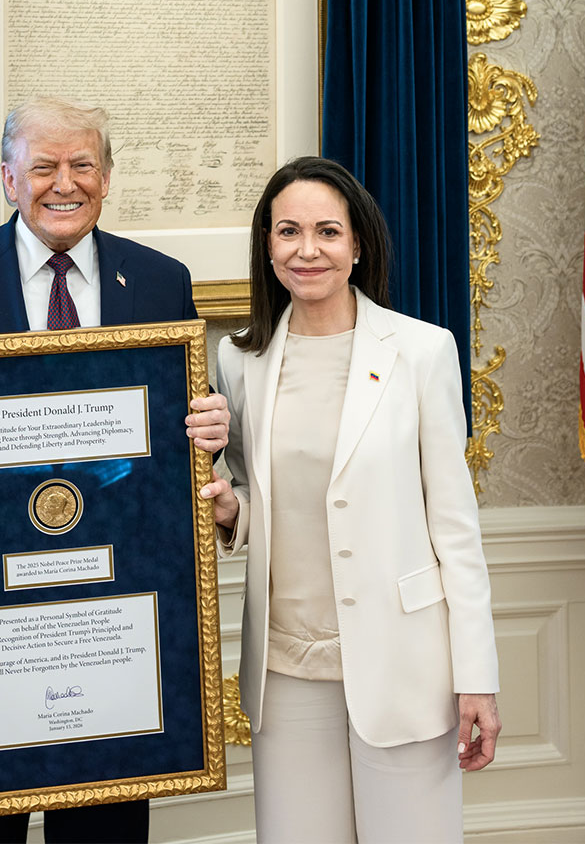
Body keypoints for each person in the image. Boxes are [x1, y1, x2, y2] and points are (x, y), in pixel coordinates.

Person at [0, 95, 231, 844]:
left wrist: (211, 429)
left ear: (107, 177)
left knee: (105, 830)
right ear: (8, 178)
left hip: (114, 609)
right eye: (45, 166)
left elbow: (174, 429)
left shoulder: (159, 279)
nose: (66, 183)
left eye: (83, 165)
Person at [195, 156, 500, 844]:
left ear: (358, 244)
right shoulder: (239, 361)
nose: (308, 250)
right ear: (266, 246)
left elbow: (455, 527)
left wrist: (477, 676)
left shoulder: (422, 352)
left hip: (404, 662)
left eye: (328, 232)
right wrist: (229, 512)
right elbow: (252, 494)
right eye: (288, 232)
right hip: (286, 667)